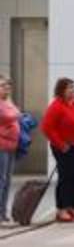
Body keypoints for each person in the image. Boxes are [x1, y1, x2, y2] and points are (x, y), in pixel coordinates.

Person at [42, 78, 74, 223]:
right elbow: (47, 128)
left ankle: (73, 207)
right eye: (70, 88)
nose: (73, 90)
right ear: (61, 90)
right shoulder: (56, 106)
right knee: (66, 177)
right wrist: (61, 145)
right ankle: (62, 209)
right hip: (64, 147)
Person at [0, 76, 21, 227]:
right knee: (1, 180)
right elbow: (8, 116)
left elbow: (15, 115)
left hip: (11, 145)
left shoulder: (8, 101)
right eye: (2, 86)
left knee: (7, 181)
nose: (6, 88)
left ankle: (3, 213)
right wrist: (16, 115)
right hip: (1, 145)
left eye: (7, 85)